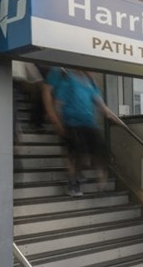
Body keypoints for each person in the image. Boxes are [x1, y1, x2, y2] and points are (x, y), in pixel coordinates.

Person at [42, 67, 123, 196]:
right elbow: (59, 103)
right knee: (75, 155)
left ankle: (99, 181)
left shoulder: (91, 83)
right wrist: (58, 122)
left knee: (100, 153)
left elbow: (102, 107)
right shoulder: (67, 80)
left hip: (89, 123)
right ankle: (74, 184)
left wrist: (120, 121)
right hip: (71, 122)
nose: (93, 71)